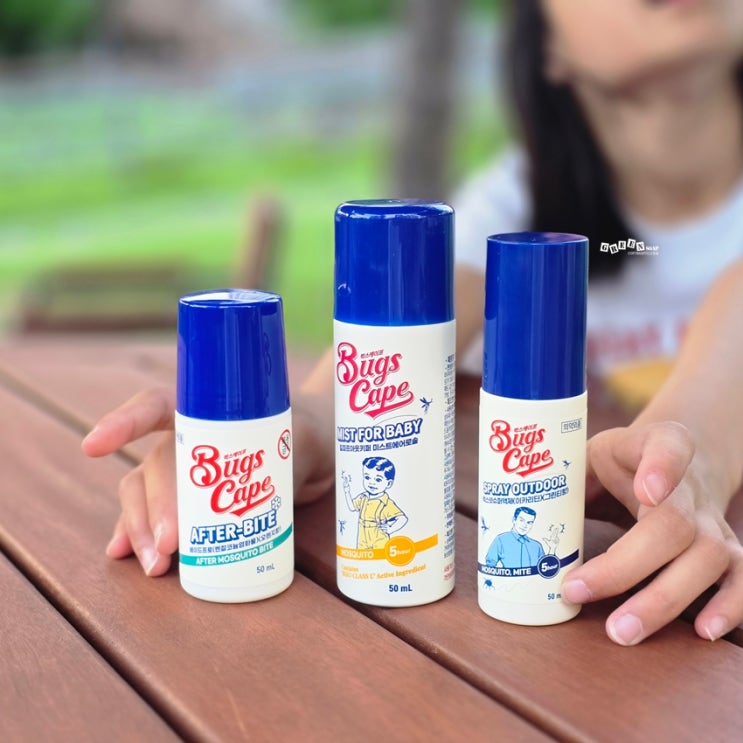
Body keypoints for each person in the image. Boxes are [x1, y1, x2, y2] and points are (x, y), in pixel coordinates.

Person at [82, 0, 743, 647]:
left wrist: (691, 462)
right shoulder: (513, 201)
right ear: (548, 44)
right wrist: (282, 433)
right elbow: (386, 353)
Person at [342, 456, 408, 549]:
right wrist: (347, 490)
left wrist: (390, 529)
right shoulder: (363, 497)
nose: (371, 483)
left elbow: (402, 518)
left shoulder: (385, 503)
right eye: (367, 477)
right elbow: (352, 507)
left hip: (379, 538)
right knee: (362, 556)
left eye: (378, 479)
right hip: (362, 539)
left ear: (389, 483)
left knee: (381, 557)